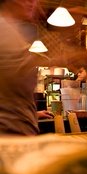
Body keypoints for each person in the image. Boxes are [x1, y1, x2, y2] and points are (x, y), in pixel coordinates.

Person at [0, 0, 47, 135]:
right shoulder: (3, 29)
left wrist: (35, 114)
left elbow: (12, 95)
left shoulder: (12, 30)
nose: (34, 2)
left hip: (17, 132)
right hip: (10, 135)